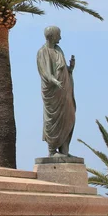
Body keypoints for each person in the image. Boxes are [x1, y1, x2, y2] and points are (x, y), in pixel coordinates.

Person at [36, 26, 76, 157]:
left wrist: (70, 69)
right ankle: (52, 151)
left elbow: (61, 69)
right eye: (59, 35)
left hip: (65, 91)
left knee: (68, 117)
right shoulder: (43, 52)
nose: (60, 37)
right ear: (52, 36)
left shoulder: (59, 50)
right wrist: (55, 81)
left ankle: (64, 150)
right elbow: (45, 72)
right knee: (53, 120)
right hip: (53, 93)